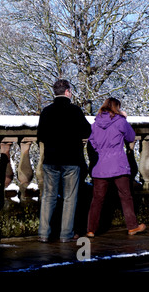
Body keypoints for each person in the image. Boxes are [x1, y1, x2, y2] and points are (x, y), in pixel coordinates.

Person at [37, 79, 92, 243]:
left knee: (48, 196)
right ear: (68, 92)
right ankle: (66, 234)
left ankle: (44, 233)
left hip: (51, 159)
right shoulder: (75, 111)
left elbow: (41, 136)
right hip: (71, 159)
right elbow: (87, 131)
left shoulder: (46, 112)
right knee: (69, 198)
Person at [86, 98, 146, 237]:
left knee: (97, 199)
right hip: (118, 164)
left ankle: (91, 229)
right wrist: (124, 118)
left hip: (100, 165)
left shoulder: (95, 125)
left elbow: (92, 144)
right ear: (116, 108)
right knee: (126, 196)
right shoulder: (120, 121)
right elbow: (131, 137)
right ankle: (132, 226)